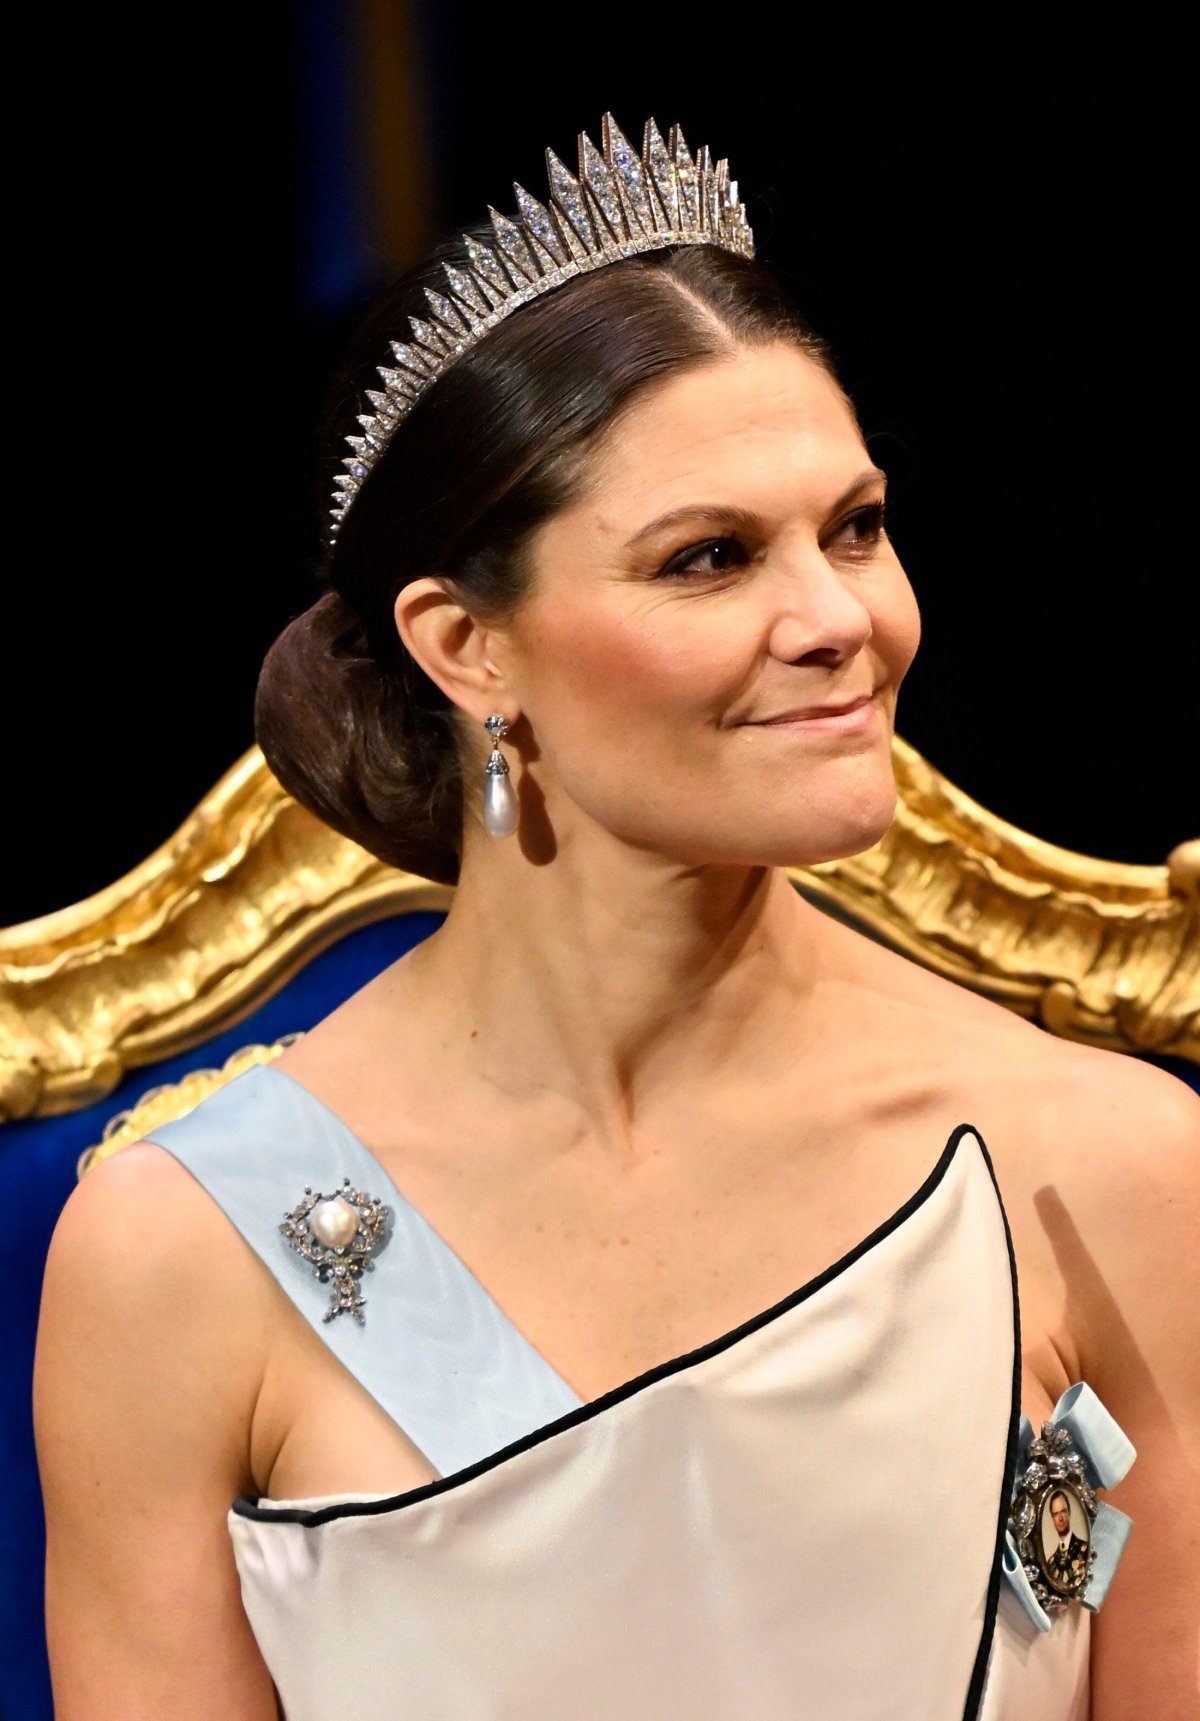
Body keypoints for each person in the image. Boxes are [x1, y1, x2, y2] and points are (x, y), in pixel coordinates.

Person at [34, 115, 1199, 1720]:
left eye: (854, 527)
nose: (840, 619)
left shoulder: (1117, 1172)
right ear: (467, 650)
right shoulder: (181, 1256)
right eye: (711, 558)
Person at [1044, 1491, 1089, 1592]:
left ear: (1069, 1512)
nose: (1060, 1518)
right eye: (1055, 1514)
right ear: (1052, 1519)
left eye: (1063, 1511)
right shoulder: (1051, 1563)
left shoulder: (1084, 1549)